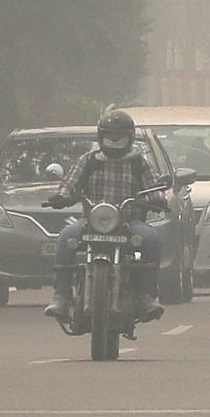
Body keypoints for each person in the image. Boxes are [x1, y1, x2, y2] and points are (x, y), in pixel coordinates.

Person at [45, 110, 165, 325]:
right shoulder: (88, 161)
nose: (115, 140)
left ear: (130, 137)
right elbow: (69, 185)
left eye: (120, 137)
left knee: (152, 239)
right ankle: (61, 297)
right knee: (65, 238)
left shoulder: (139, 163)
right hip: (91, 223)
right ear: (101, 136)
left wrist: (157, 199)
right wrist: (62, 197)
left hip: (129, 224)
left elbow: (154, 189)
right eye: (110, 136)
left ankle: (147, 296)